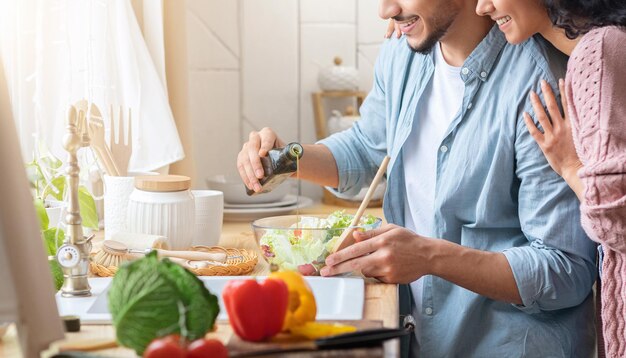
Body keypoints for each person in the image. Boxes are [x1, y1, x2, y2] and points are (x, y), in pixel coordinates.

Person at [238, 0, 597, 356]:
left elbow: (564, 270)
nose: (386, 11)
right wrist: (285, 161)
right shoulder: (404, 51)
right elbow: (367, 146)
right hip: (421, 339)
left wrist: (429, 257)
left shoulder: (542, 86)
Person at [473, 1, 626, 356]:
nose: (483, 7)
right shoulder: (603, 46)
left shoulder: (598, 51)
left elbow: (618, 219)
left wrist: (569, 164)